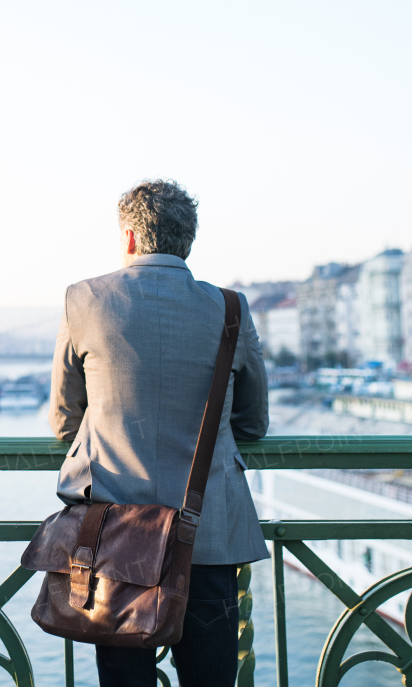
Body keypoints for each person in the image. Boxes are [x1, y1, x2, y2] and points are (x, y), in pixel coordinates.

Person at [47, 178, 270, 687]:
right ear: (187, 242)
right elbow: (253, 423)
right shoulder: (230, 309)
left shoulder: (84, 299)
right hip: (208, 532)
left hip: (116, 534)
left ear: (128, 238)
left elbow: (64, 419)